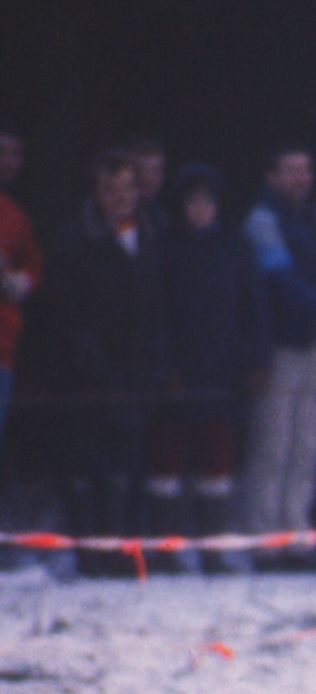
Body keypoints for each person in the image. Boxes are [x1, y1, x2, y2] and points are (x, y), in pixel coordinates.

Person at [37, 148, 169, 560]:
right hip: (89, 381)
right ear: (97, 189)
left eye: (129, 187)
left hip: (139, 377)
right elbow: (68, 318)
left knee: (128, 473)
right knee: (90, 471)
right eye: (112, 189)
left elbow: (162, 306)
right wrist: (98, 370)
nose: (122, 197)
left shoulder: (152, 233)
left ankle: (126, 556)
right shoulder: (74, 240)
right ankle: (93, 557)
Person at [152, 164, 267, 564]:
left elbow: (255, 309)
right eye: (192, 201)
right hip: (178, 376)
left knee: (217, 468)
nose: (200, 209)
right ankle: (166, 553)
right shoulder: (165, 248)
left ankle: (215, 551)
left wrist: (257, 362)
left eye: (207, 201)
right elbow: (154, 314)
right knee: (168, 468)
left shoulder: (237, 247)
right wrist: (164, 368)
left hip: (225, 373)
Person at [242, 145, 316, 542]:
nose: (301, 178)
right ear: (272, 176)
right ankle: (264, 534)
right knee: (273, 445)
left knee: (305, 446)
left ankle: (296, 530)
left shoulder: (312, 219)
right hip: (278, 349)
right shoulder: (262, 220)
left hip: (312, 347)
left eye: (306, 169)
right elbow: (281, 283)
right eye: (290, 170)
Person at [0, 127, 40, 499]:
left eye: (15, 153)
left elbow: (34, 268)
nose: (8, 162)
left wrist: (17, 283)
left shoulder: (14, 215)